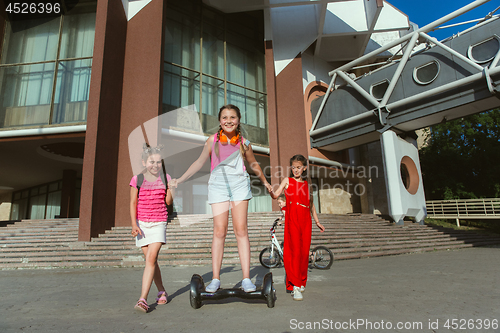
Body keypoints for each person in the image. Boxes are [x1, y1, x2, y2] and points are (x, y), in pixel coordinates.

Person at [170, 104, 273, 293]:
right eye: (225, 117)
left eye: (232, 117)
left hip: (239, 185)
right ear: (220, 121)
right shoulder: (212, 141)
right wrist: (181, 179)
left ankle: (246, 279)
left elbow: (254, 164)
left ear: (238, 120)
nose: (229, 121)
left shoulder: (244, 143)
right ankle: (215, 279)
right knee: (219, 231)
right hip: (218, 186)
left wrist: (266, 182)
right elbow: (199, 162)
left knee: (241, 230)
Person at [271, 154, 325, 301]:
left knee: (303, 252)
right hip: (292, 218)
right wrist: (271, 190)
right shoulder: (287, 181)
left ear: (304, 168)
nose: (296, 170)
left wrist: (317, 221)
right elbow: (276, 195)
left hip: (305, 219)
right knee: (293, 251)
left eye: (299, 167)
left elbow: (311, 204)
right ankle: (295, 285)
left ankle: (301, 280)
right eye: (293, 167)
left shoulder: (307, 184)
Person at [130, 144, 173, 312]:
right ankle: (161, 290)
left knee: (151, 258)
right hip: (142, 224)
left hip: (159, 222)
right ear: (143, 162)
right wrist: (134, 224)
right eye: (151, 162)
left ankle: (143, 299)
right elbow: (133, 203)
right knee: (151, 261)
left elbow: (168, 202)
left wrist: (172, 188)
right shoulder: (137, 179)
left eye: (158, 162)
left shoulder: (166, 178)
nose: (155, 165)